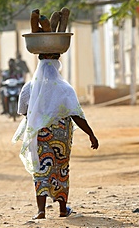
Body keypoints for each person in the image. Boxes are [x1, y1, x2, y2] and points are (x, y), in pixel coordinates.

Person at [12, 53, 99, 219]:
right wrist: (91, 134)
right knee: (61, 168)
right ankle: (62, 209)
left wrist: (40, 118)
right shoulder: (65, 89)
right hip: (62, 136)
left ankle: (41, 211)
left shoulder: (29, 88)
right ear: (57, 67)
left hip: (39, 134)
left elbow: (23, 111)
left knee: (41, 169)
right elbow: (76, 115)